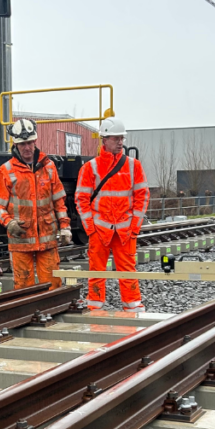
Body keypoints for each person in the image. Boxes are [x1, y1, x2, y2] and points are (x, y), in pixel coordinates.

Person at [75, 117, 150, 311]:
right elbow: (81, 199)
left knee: (128, 270)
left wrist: (134, 228)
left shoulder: (133, 165)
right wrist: (91, 229)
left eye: (122, 138)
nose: (120, 142)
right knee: (96, 271)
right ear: (104, 140)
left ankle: (133, 307)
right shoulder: (90, 167)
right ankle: (94, 307)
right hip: (100, 230)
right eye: (116, 138)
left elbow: (142, 197)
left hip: (124, 230)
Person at [0, 118, 72, 290]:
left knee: (52, 286)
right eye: (22, 144)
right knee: (23, 289)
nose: (27, 147)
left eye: (29, 143)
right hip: (21, 240)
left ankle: (51, 308)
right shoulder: (6, 170)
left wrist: (65, 227)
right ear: (15, 144)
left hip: (47, 239)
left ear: (35, 141)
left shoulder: (48, 167)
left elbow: (59, 201)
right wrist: (9, 223)